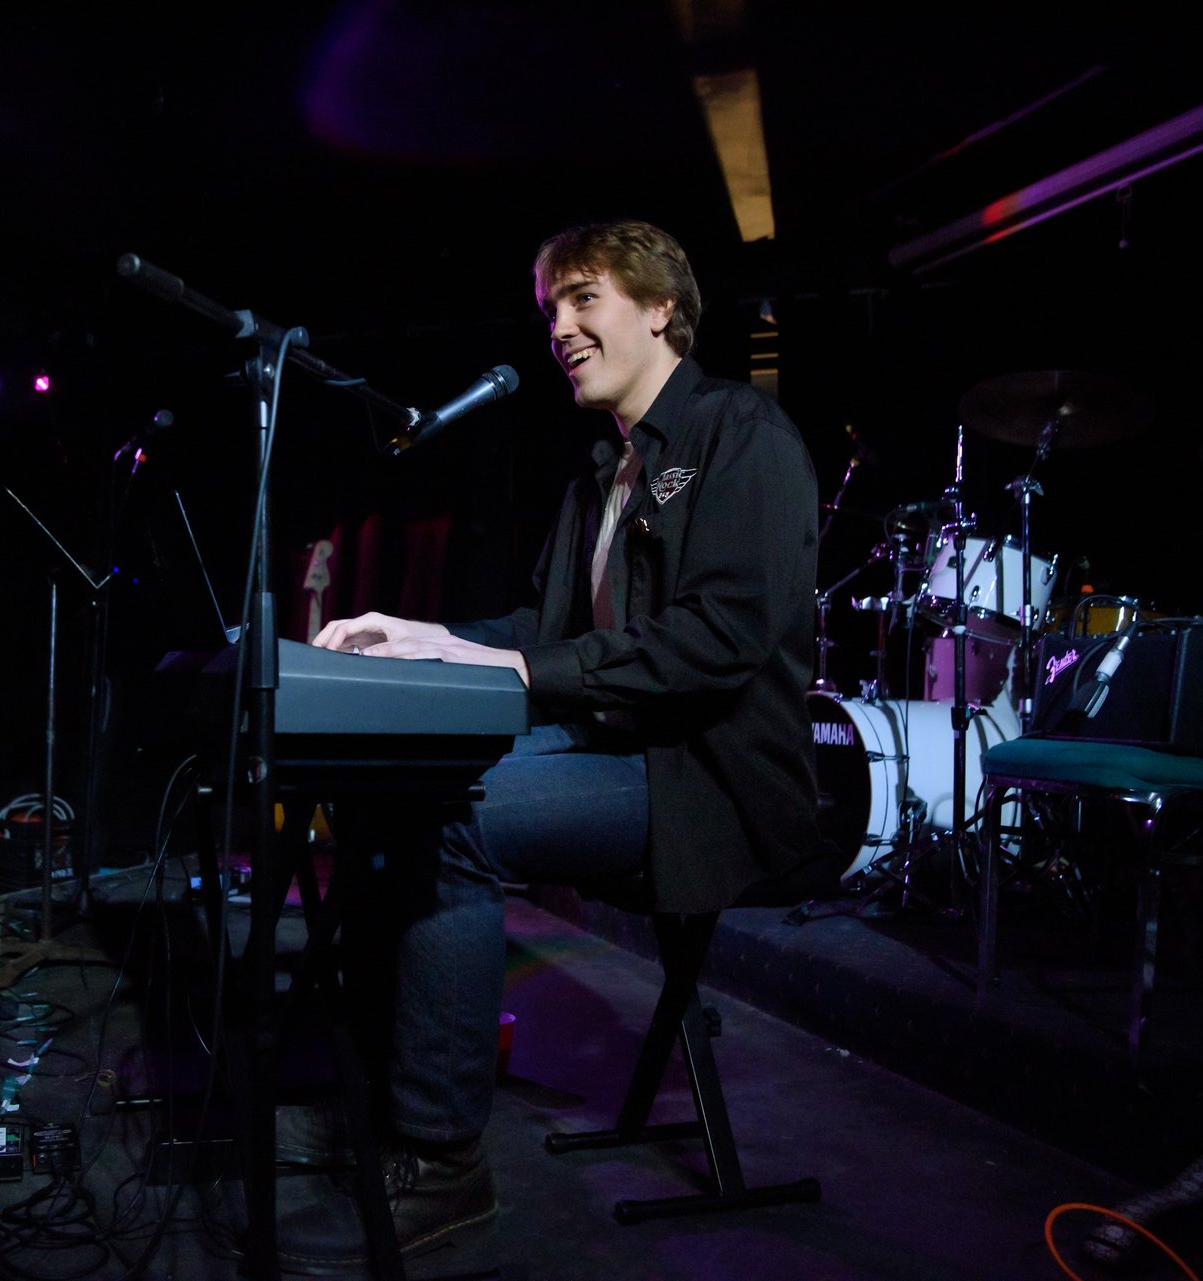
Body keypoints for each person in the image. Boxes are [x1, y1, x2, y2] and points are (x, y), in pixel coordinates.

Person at [282, 219, 842, 1269]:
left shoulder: (741, 437)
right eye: (551, 309)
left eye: (584, 298)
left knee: (460, 815)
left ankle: (443, 1165)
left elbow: (719, 642)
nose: (560, 327)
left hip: (707, 783)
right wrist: (429, 640)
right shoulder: (599, 475)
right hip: (617, 754)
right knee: (386, 789)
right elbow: (549, 642)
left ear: (661, 307)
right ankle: (371, 1102)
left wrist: (521, 672)